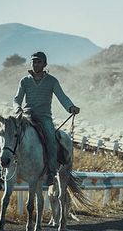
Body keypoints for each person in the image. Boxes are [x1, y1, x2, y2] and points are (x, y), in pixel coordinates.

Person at [13, 51, 80, 191]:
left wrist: (71, 107)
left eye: (38, 62)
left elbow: (62, 96)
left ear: (44, 64)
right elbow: (16, 99)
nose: (35, 64)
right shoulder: (24, 81)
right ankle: (7, 171)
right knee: (10, 135)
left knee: (50, 138)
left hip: (44, 117)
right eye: (33, 62)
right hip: (26, 115)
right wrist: (17, 108)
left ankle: (50, 172)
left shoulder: (52, 81)